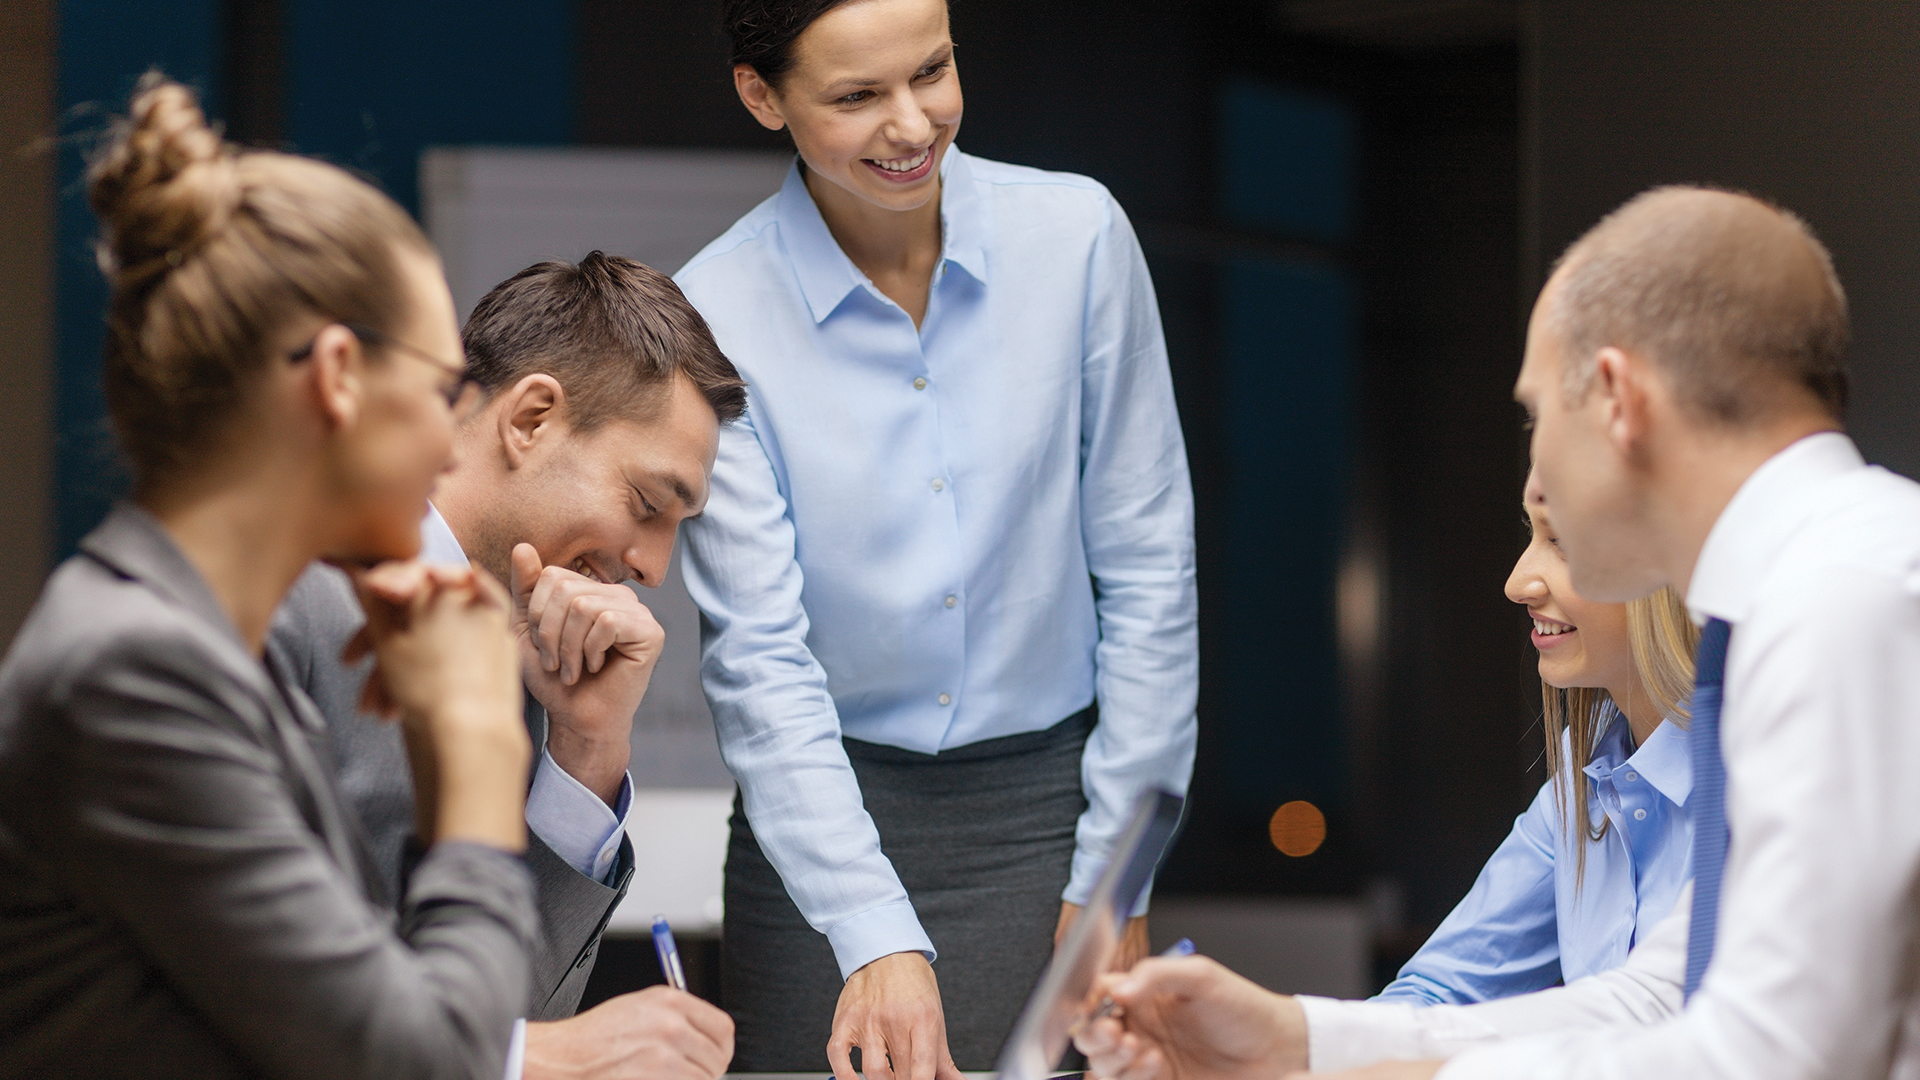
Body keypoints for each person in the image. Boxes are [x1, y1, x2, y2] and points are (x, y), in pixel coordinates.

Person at [1076, 185, 1920, 1080]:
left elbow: (1772, 1053)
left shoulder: (1842, 600)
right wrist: (1295, 1044)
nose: (1537, 466)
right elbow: (1663, 991)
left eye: (1535, 414)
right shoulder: (1820, 584)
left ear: (1616, 398)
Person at [675, 0, 1198, 1075]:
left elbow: (1149, 568)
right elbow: (759, 656)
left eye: (934, 71)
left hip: (1051, 826)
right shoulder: (713, 313)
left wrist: (1115, 877)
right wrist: (868, 927)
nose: (912, 126)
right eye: (858, 96)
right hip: (817, 840)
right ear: (760, 94)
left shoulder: (1079, 239)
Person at [0, 75, 537, 1078]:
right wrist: (474, 745)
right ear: (337, 375)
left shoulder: (193, 654)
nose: (450, 443)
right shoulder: (132, 674)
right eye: (441, 389)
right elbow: (423, 1065)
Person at [268, 252, 745, 1080]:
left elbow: (512, 1016)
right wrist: (528, 1056)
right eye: (647, 505)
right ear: (529, 420)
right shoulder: (283, 589)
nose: (655, 569)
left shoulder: (522, 652)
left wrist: (586, 752)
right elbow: (238, 983)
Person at [1369, 470, 1698, 1007]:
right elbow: (1441, 990)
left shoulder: (1764, 771)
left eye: (1561, 542)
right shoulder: (1588, 761)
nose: (1517, 582)